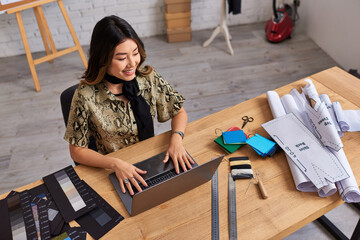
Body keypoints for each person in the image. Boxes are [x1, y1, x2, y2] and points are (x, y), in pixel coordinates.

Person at [64, 15, 194, 195]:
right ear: (103, 59)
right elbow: (77, 151)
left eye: (135, 53)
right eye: (122, 58)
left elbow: (179, 112)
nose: (132, 63)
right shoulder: (85, 96)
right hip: (116, 171)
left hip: (152, 159)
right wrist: (114, 164)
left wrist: (177, 139)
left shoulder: (147, 78)